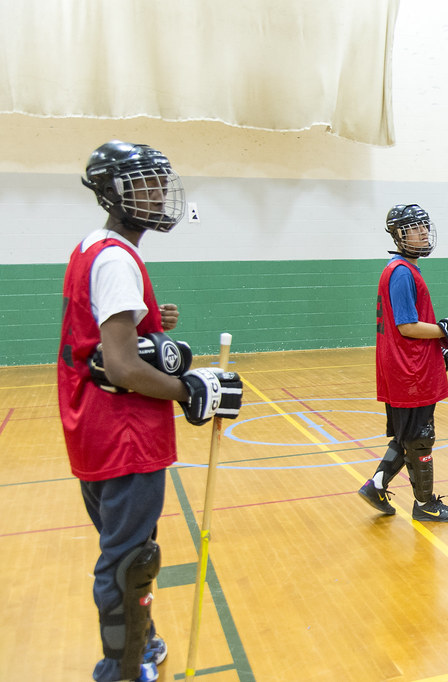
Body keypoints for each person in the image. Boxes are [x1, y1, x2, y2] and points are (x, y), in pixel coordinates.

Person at [59, 140, 243, 682]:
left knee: (127, 546)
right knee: (128, 562)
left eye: (161, 181)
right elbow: (119, 365)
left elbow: (99, 337)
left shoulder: (95, 248)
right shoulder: (118, 258)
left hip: (93, 428)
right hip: (125, 436)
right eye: (145, 183)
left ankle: (144, 640)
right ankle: (119, 668)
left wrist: (148, 320)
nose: (159, 192)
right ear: (114, 192)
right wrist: (191, 389)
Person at [358, 203, 448, 522]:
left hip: (412, 363)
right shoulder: (400, 273)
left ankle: (376, 486)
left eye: (425, 225)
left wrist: (439, 351)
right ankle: (424, 504)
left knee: (407, 435)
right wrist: (445, 331)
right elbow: (406, 327)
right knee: (420, 437)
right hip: (407, 370)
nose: (424, 232)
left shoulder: (406, 269)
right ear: (399, 234)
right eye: (415, 227)